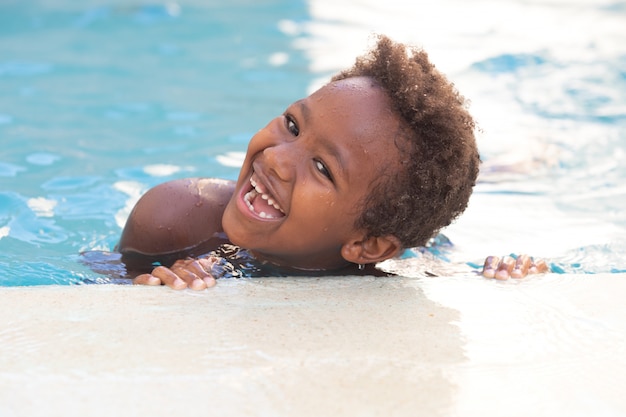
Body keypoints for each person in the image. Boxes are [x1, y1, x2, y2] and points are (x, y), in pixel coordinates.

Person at [116, 35, 548, 290]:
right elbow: (99, 293)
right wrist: (157, 281)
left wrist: (502, 274)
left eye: (322, 168)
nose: (278, 159)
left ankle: (513, 166)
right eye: (292, 124)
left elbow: (455, 275)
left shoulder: (394, 264)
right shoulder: (175, 217)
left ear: (366, 247)